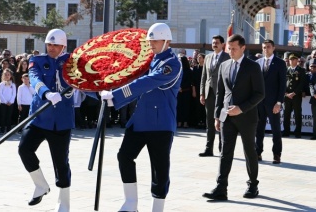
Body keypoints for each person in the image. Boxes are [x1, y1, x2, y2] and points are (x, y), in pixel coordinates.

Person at [99, 23, 183, 212]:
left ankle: (157, 207)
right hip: (140, 121)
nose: (151, 44)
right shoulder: (150, 61)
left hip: (161, 123)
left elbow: (147, 82)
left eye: (155, 40)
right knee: (124, 157)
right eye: (150, 41)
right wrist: (108, 85)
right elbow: (130, 76)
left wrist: (117, 96)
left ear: (166, 41)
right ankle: (131, 203)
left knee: (159, 168)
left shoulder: (172, 64)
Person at [203, 34, 264, 202]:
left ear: (243, 48)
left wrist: (241, 109)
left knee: (249, 151)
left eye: (234, 48)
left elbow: (260, 93)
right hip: (227, 118)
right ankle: (221, 188)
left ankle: (253, 185)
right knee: (225, 152)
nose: (230, 51)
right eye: (229, 48)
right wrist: (217, 116)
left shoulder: (252, 67)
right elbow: (220, 94)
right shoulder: (224, 65)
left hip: (247, 117)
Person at [18, 29, 74, 211]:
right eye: (49, 44)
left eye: (55, 45)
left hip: (61, 120)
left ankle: (63, 203)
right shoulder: (38, 60)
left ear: (63, 46)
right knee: (24, 149)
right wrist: (46, 93)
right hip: (39, 117)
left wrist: (102, 94)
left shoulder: (72, 63)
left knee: (61, 162)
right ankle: (40, 185)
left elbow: (85, 81)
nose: (51, 48)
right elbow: (34, 78)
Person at [254, 39, 286, 164]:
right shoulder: (258, 62)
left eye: (268, 47)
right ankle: (257, 152)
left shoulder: (280, 63)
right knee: (259, 129)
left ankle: (277, 154)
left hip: (273, 103)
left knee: (276, 129)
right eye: (263, 47)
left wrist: (279, 102)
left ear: (273, 48)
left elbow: (282, 84)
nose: (265, 49)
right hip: (259, 103)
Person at [199, 35, 230, 157]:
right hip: (209, 93)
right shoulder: (207, 57)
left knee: (222, 121)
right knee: (209, 122)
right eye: (213, 42)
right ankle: (208, 148)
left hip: (222, 94)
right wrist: (202, 93)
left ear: (222, 44)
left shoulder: (227, 57)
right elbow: (204, 77)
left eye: (217, 42)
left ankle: (222, 148)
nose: (214, 44)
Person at [283, 53, 307, 138]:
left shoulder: (301, 70)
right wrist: (286, 93)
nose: (292, 61)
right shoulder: (285, 70)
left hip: (296, 95)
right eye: (290, 59)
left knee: (297, 114)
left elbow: (301, 83)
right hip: (287, 96)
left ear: (297, 60)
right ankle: (286, 131)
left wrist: (294, 93)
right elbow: (282, 83)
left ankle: (297, 132)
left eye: (294, 59)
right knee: (286, 114)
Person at [0, 68, 16, 134]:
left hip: (10, 103)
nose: (7, 76)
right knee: (3, 116)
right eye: (5, 75)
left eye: (8, 75)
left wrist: (10, 101)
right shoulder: (1, 84)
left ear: (10, 76)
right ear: (3, 76)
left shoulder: (13, 85)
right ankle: (2, 129)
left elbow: (14, 94)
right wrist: (5, 101)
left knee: (9, 116)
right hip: (3, 103)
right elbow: (0, 93)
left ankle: (9, 129)